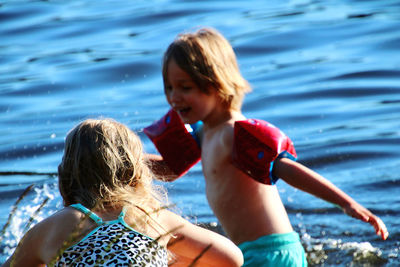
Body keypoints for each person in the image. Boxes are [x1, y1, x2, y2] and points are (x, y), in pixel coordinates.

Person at [144, 27, 389, 267]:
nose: (174, 97)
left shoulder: (233, 133)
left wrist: (345, 203)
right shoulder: (203, 131)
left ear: (217, 84)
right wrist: (126, 163)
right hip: (250, 251)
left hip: (272, 253)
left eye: (185, 88)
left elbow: (286, 168)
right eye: (169, 87)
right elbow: (170, 170)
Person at [2, 118, 244, 267]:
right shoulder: (150, 217)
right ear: (136, 174)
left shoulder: (53, 228)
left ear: (65, 176)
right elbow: (232, 258)